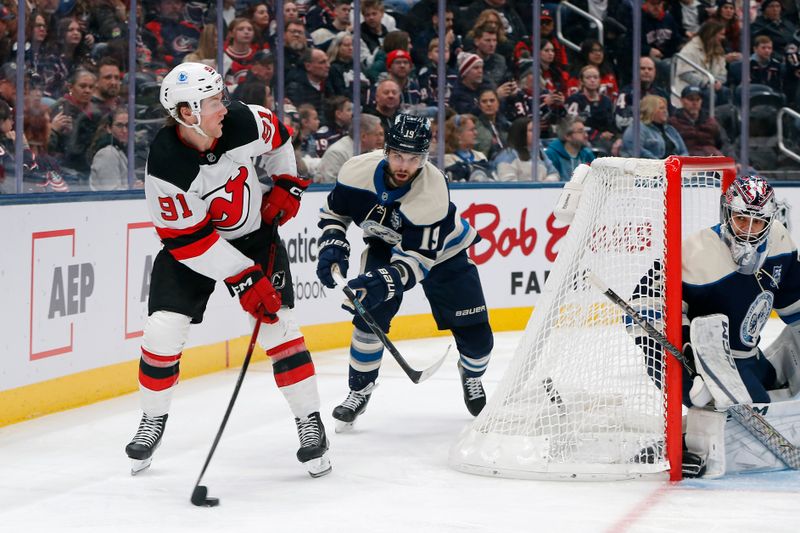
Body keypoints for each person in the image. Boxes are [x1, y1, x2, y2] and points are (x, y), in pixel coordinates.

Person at [124, 63, 331, 479]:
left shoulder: (241, 120)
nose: (224, 107)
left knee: (279, 326)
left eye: (221, 98)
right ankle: (152, 418)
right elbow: (190, 242)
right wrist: (244, 276)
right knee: (163, 329)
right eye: (213, 102)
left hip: (254, 237)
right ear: (187, 113)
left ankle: (310, 422)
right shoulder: (166, 164)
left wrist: (286, 182)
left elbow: (279, 137)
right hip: (193, 250)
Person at [315, 114, 494, 431]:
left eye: (413, 159)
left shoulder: (432, 191)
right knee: (369, 315)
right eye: (398, 155)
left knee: (478, 339)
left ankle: (472, 374)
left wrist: (383, 281)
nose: (404, 165)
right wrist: (333, 242)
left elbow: (418, 262)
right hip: (384, 244)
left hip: (444, 253)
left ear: (425, 157)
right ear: (386, 150)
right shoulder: (356, 171)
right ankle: (359, 390)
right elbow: (335, 212)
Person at [631, 176, 800, 475]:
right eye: (741, 219)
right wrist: (685, 354)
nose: (748, 230)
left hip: (745, 358)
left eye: (758, 222)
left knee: (781, 395)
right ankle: (683, 445)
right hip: (689, 363)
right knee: (754, 421)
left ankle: (699, 427)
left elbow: (794, 301)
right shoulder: (693, 252)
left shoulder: (779, 241)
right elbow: (643, 303)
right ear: (726, 213)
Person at [621, 94, 688, 159]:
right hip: (649, 165)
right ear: (650, 110)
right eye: (661, 108)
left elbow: (684, 152)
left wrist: (680, 162)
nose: (665, 111)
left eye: (666, 108)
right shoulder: (637, 128)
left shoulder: (670, 130)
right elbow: (636, 151)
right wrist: (660, 164)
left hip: (673, 165)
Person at [668, 85, 727, 156]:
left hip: (712, 158)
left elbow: (724, 143)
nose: (694, 103)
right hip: (688, 159)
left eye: (698, 99)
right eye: (691, 99)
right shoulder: (673, 122)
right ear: (682, 101)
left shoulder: (711, 121)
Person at [88, 107, 131, 191]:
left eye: (128, 125)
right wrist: (133, 188)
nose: (125, 130)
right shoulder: (107, 153)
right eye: (119, 126)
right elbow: (111, 192)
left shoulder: (119, 150)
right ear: (109, 128)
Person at [545, 116, 596, 181]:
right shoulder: (551, 155)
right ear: (567, 136)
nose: (586, 135)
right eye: (580, 131)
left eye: (585, 131)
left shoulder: (587, 153)